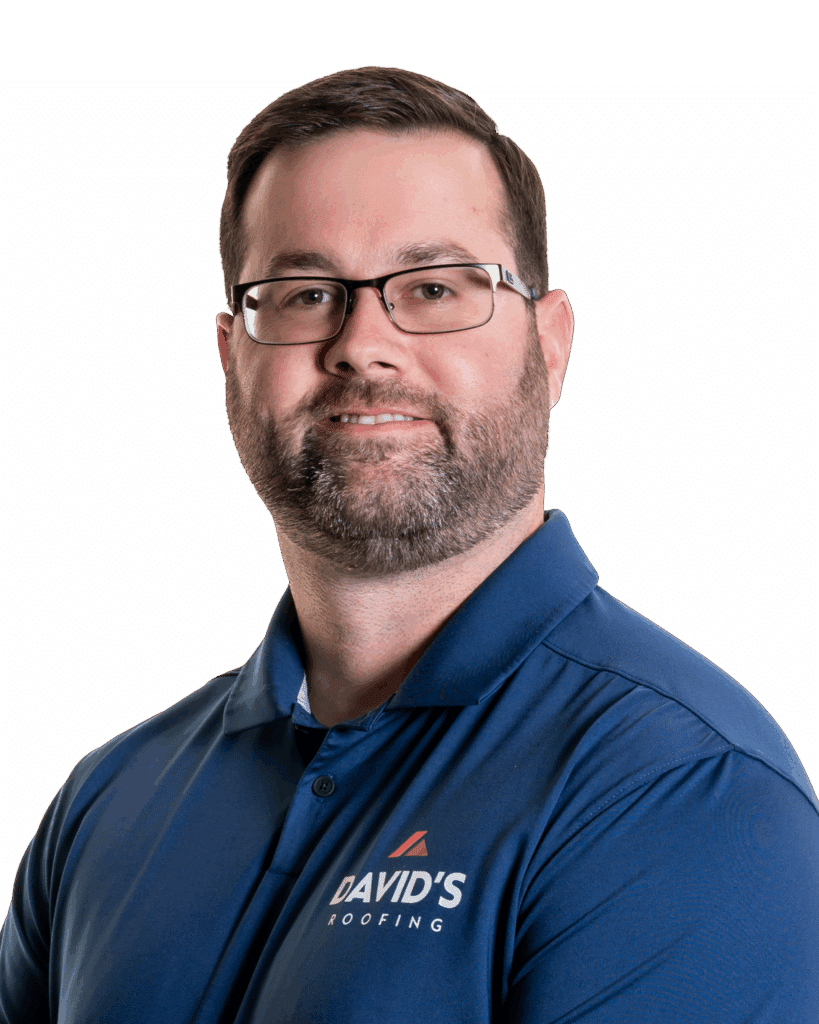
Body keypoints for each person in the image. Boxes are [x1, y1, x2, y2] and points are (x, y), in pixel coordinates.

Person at [1, 65, 817, 1023]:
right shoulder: (105, 805)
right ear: (231, 356)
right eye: (304, 293)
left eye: (432, 287)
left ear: (548, 347)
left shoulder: (680, 790)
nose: (362, 343)